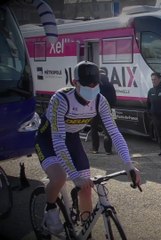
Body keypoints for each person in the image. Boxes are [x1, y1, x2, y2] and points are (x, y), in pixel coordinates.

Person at [34, 61, 141, 235]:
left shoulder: (100, 100)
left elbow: (114, 132)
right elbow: (58, 140)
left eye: (95, 84)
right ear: (74, 82)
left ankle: (86, 231)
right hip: (48, 139)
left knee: (86, 188)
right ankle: (51, 209)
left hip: (73, 139)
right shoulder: (60, 99)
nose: (92, 89)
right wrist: (74, 176)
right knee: (60, 177)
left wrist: (129, 165)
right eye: (87, 85)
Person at [90, 69, 116, 155]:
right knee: (107, 130)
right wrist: (111, 107)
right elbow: (114, 99)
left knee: (94, 129)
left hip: (94, 110)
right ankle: (108, 150)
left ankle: (95, 149)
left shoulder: (94, 85)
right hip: (106, 110)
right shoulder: (110, 85)